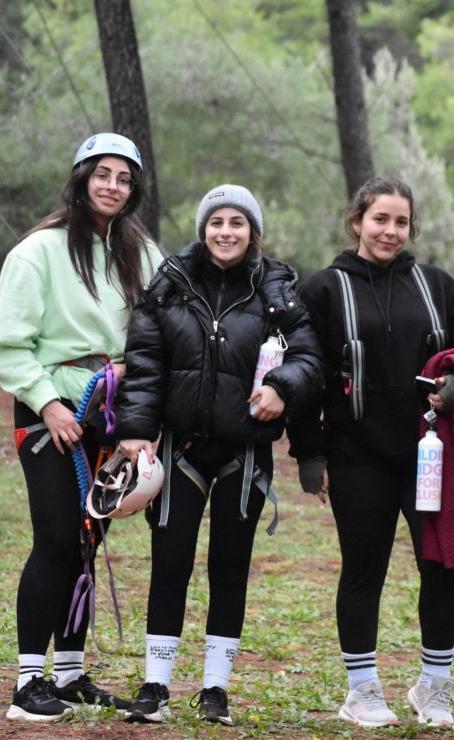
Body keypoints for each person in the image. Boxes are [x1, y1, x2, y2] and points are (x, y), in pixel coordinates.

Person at [113, 184, 324, 726]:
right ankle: (155, 685)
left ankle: (214, 690)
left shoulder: (278, 287)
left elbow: (309, 355)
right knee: (170, 566)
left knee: (229, 570)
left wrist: (283, 386)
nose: (226, 232)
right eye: (216, 222)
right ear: (203, 229)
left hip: (245, 452)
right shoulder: (170, 284)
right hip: (178, 449)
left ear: (253, 232)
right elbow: (145, 361)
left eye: (238, 222)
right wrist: (136, 428)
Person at [288, 175, 454, 729]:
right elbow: (307, 373)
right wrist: (310, 455)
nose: (390, 231)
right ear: (357, 222)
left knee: (441, 567)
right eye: (380, 219)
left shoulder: (436, 285)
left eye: (401, 222)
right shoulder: (323, 289)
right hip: (356, 455)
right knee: (363, 569)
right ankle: (362, 690)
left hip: (429, 455)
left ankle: (435, 687)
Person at [0, 132, 163, 721]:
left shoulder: (142, 254)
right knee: (57, 537)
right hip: (54, 414)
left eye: (124, 178)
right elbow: (9, 347)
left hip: (113, 416)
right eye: (103, 174)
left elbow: (162, 331)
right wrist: (46, 403)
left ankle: (68, 674)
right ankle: (27, 681)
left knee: (88, 545)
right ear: (82, 177)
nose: (113, 186)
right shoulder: (37, 252)